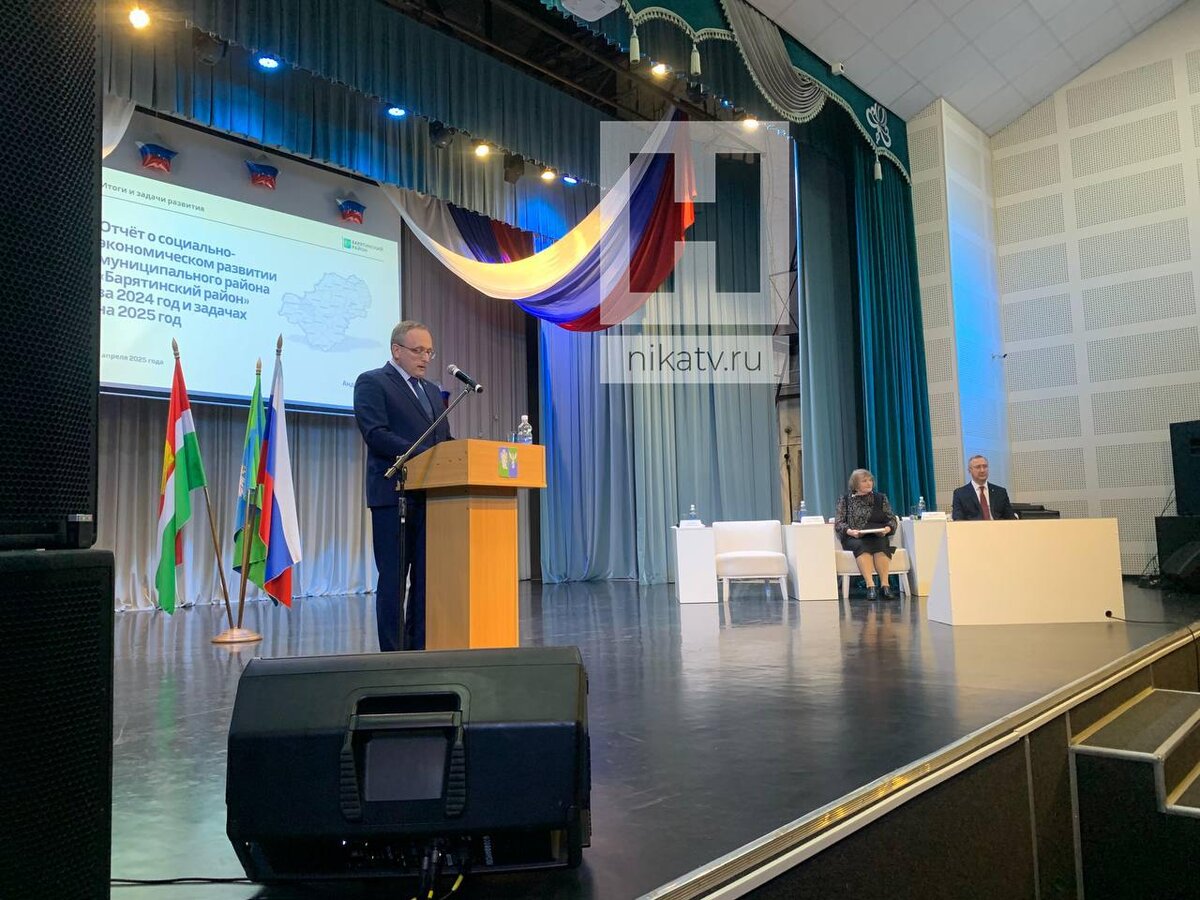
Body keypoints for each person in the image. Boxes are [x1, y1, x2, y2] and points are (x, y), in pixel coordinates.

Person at [353, 321, 452, 651]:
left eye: (429, 352)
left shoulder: (432, 391)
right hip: (392, 497)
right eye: (418, 350)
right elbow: (376, 434)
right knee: (394, 581)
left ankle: (419, 649)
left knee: (424, 580)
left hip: (430, 497)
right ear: (397, 351)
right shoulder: (372, 382)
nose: (425, 358)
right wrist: (424, 453)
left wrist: (462, 453)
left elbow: (443, 439)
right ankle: (393, 655)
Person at [834, 469, 900, 601]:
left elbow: (892, 519)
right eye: (864, 481)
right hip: (854, 537)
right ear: (855, 484)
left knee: (881, 544)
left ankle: (885, 586)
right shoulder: (845, 499)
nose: (869, 483)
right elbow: (839, 522)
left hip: (877, 535)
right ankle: (870, 586)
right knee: (861, 546)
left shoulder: (880, 498)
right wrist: (850, 531)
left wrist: (887, 529)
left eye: (870, 480)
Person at [951, 455, 1017, 521]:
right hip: (974, 527)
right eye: (978, 467)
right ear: (969, 470)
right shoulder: (960, 494)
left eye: (985, 466)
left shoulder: (1000, 492)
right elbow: (958, 519)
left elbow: (1011, 518)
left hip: (998, 526)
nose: (982, 470)